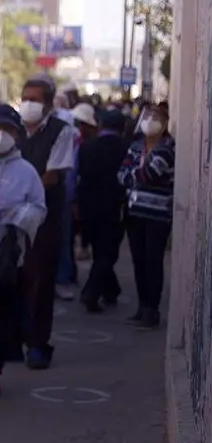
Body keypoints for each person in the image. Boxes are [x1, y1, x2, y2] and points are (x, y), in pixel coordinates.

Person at [0, 105, 47, 392]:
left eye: (9, 130)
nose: (0, 135)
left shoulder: (25, 171)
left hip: (4, 261)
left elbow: (39, 208)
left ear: (17, 134)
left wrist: (17, 219)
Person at [17, 74, 76, 370]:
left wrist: (19, 191)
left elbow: (53, 176)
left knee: (40, 281)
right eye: (25, 98)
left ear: (49, 104)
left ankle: (38, 344)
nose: (28, 104)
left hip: (44, 217)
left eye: (35, 100)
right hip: (9, 218)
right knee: (11, 278)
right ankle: (12, 339)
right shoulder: (10, 128)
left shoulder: (60, 132)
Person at [117, 102, 174, 329]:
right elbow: (121, 174)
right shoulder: (136, 146)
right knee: (139, 260)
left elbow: (149, 174)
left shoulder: (167, 149)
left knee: (153, 261)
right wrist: (134, 175)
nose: (150, 120)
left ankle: (152, 309)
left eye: (156, 117)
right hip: (135, 213)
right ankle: (142, 306)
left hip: (158, 215)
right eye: (148, 116)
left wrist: (133, 175)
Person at [78, 109, 130, 313]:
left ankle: (110, 291)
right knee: (107, 253)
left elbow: (80, 176)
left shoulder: (86, 147)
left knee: (100, 251)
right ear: (122, 128)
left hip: (88, 206)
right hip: (113, 207)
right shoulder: (127, 148)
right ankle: (91, 292)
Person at [55, 102, 99, 301]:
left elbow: (72, 175)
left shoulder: (79, 143)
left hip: (68, 197)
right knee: (65, 240)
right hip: (67, 196)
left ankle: (65, 277)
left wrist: (73, 201)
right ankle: (66, 275)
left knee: (65, 240)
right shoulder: (75, 141)